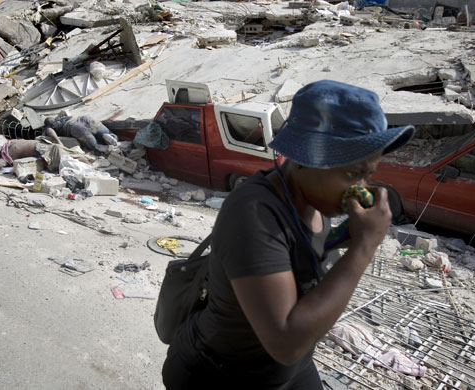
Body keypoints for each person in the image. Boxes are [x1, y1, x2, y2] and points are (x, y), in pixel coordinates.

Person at [161, 80, 415, 389]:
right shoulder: (253, 214)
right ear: (307, 157)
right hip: (221, 373)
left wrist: (344, 236)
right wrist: (364, 247)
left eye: (368, 174)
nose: (361, 187)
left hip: (286, 371)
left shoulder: (314, 202)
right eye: (352, 174)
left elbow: (302, 256)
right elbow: (286, 342)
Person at [0, 128, 89, 172]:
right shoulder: (60, 160)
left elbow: (50, 130)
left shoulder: (60, 146)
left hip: (15, 143)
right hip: (15, 150)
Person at [44, 115, 118, 153]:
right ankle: (106, 136)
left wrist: (59, 142)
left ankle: (99, 147)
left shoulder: (51, 126)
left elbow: (49, 131)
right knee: (112, 135)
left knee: (92, 146)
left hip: (75, 127)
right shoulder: (62, 117)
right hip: (85, 118)